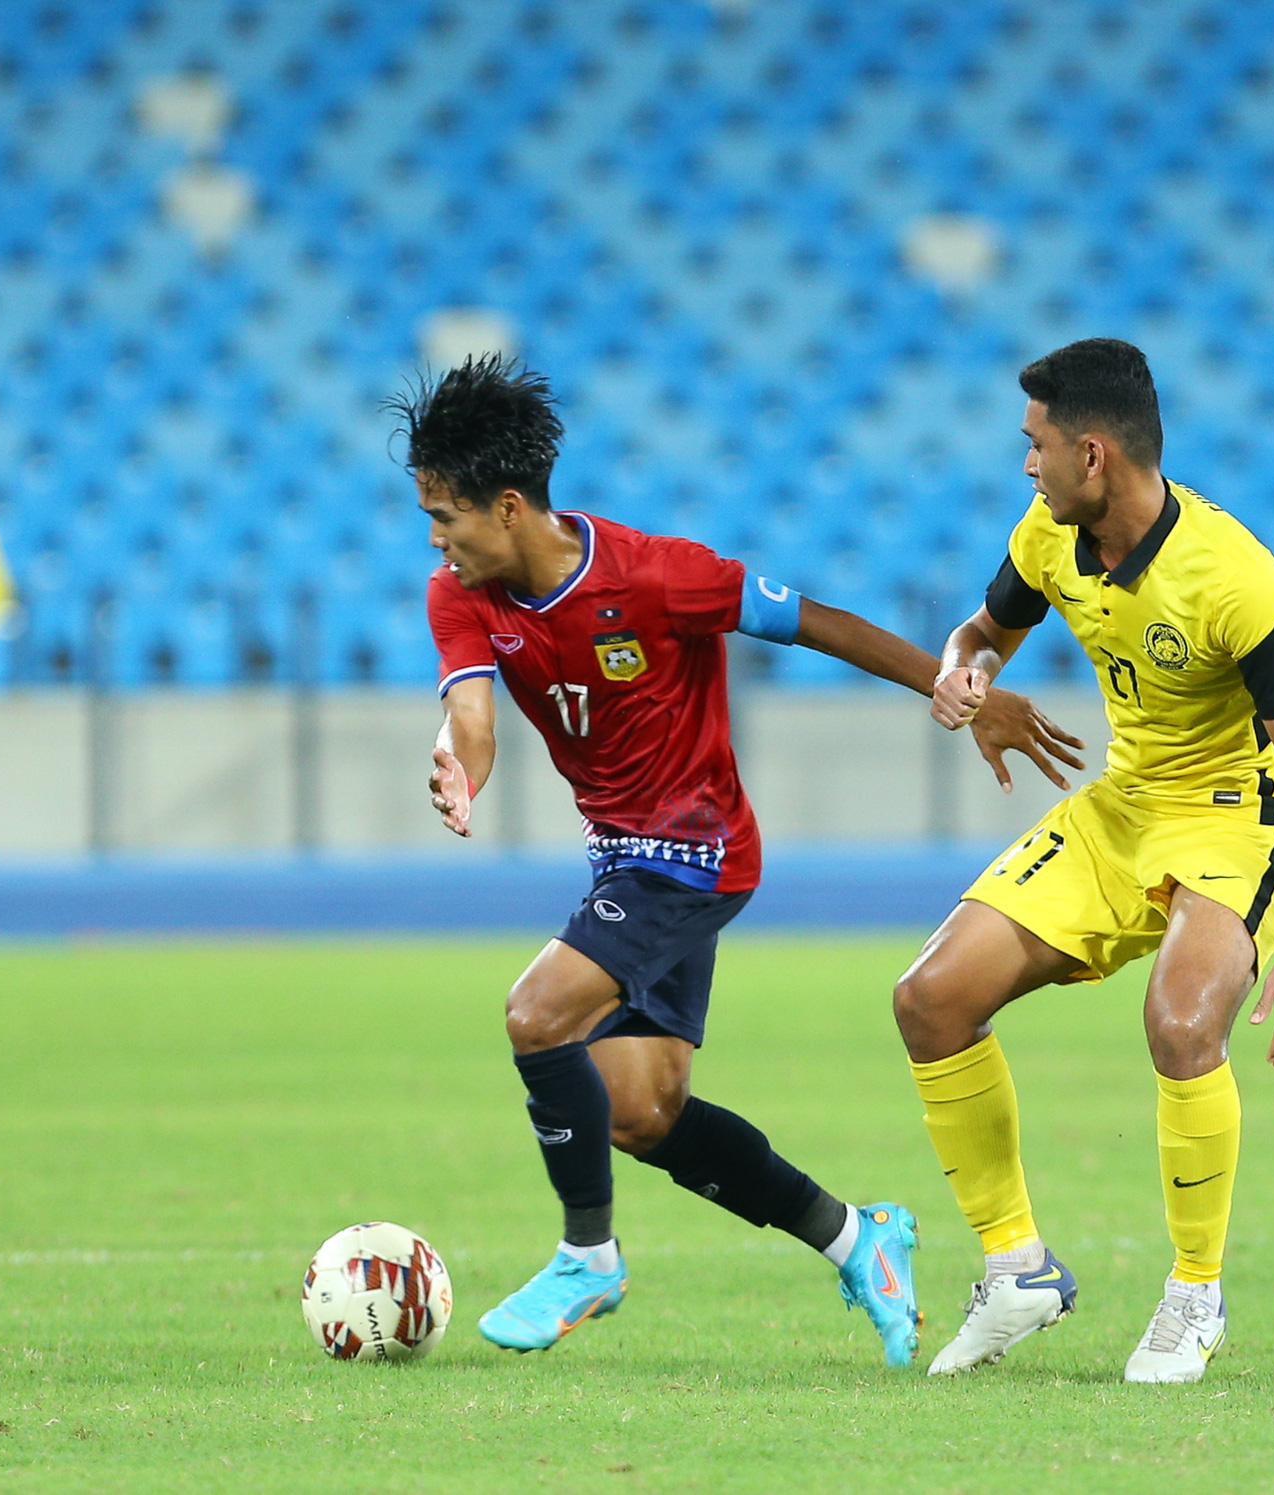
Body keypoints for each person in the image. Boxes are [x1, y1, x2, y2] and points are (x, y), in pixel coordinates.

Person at [397, 355, 1084, 1366]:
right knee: (640, 1109)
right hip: (618, 861)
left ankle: (586, 1255)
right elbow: (470, 715)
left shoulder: (654, 574)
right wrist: (458, 763)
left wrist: (958, 688)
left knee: (536, 1013)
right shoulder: (460, 593)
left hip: (697, 849)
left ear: (506, 508)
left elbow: (819, 624)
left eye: (444, 514)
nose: (433, 538)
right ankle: (859, 1239)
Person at [899, 338, 1274, 1383]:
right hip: (1122, 806)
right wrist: (962, 682)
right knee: (928, 998)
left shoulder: (1232, 574)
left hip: (1233, 815)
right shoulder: (1049, 537)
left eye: (1034, 444)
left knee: (1181, 1023)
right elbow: (976, 633)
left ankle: (1193, 1293)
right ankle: (1016, 1273)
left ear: (1090, 455)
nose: (1024, 466)